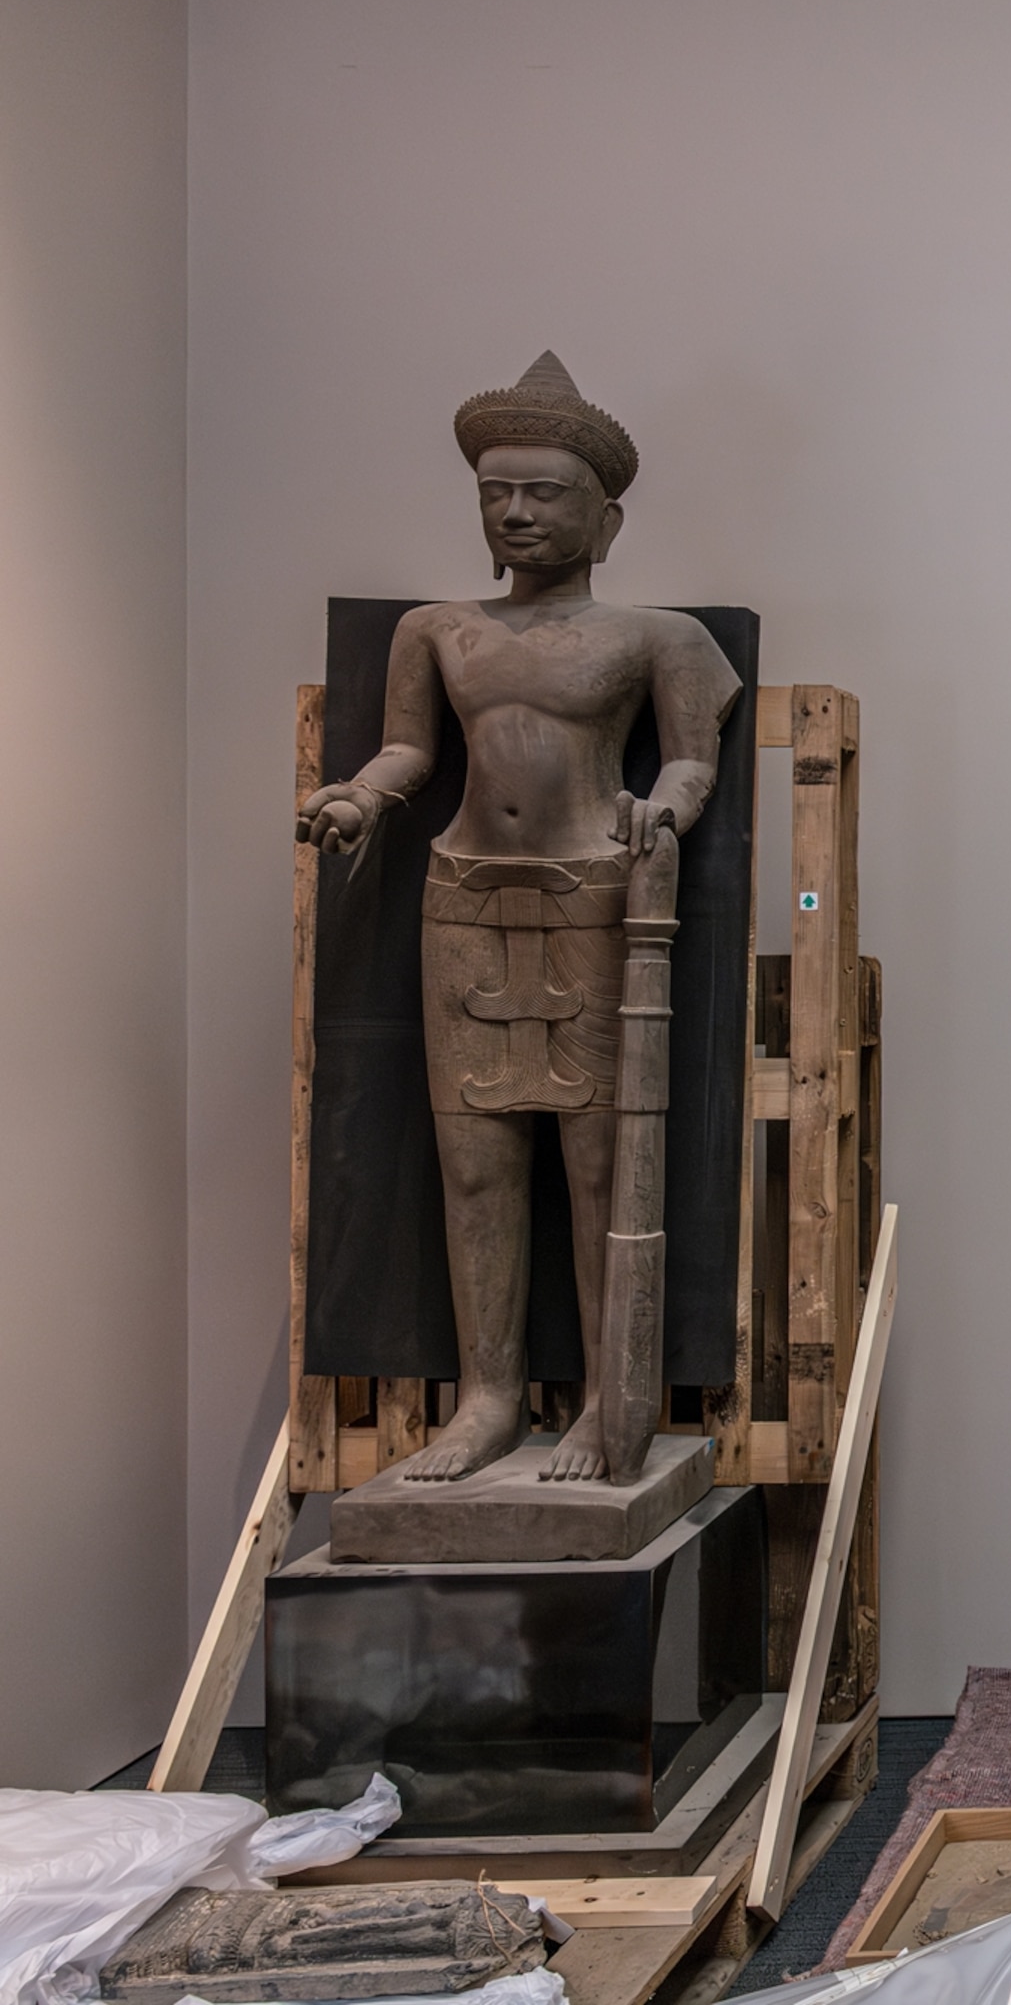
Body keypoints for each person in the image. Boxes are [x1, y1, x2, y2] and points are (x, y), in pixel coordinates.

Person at [298, 353, 740, 1484]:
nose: (517, 511)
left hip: (593, 896)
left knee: (601, 1169)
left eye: (545, 492)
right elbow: (410, 749)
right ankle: (487, 1397)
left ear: (607, 517)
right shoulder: (436, 629)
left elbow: (691, 759)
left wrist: (664, 813)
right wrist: (361, 798)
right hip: (464, 896)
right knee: (477, 1163)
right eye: (497, 492)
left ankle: (602, 1401)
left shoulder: (657, 639)